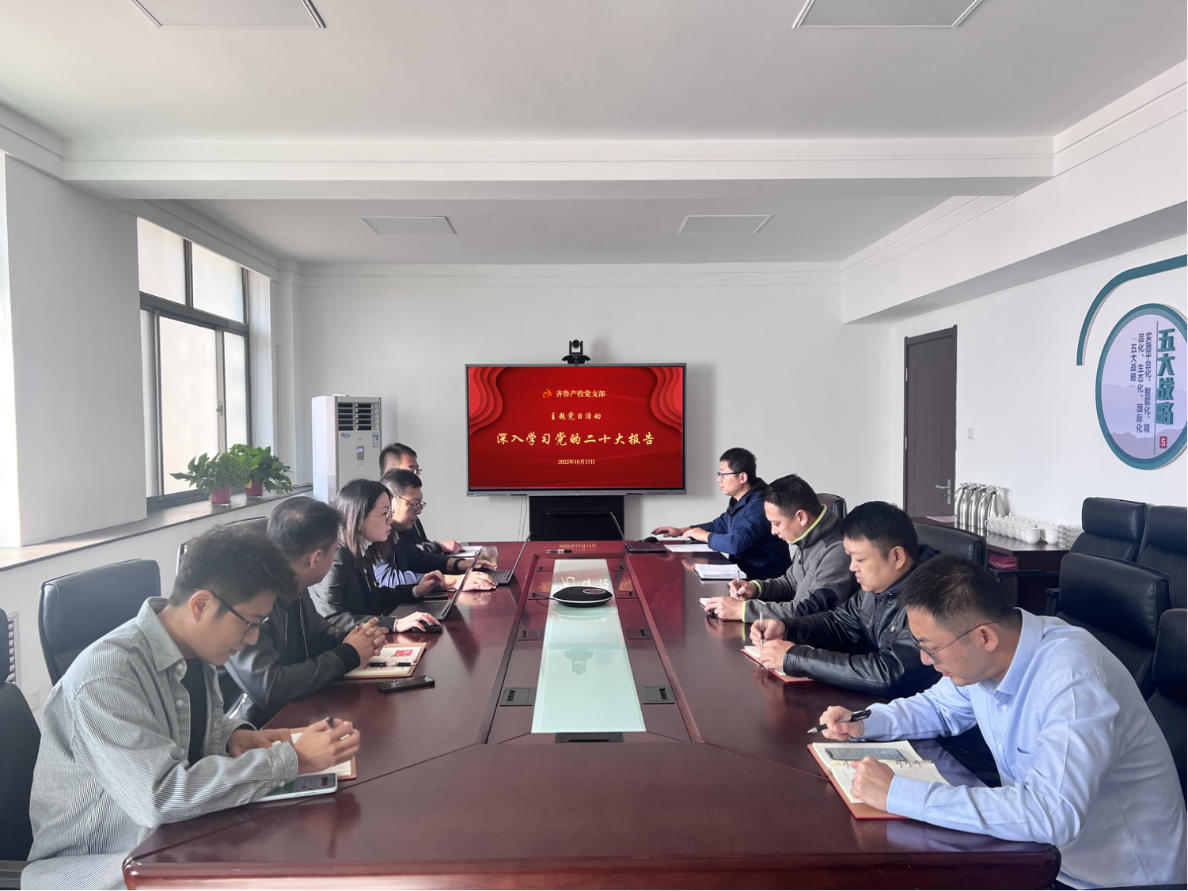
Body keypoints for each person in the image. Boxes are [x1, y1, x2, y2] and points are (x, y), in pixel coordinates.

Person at [817, 555, 1188, 890]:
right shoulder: (994, 655)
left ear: (984, 637)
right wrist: (865, 721)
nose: (926, 661)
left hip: (1115, 880)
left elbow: (1052, 812)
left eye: (931, 648)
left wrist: (898, 794)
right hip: (1036, 856)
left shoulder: (1073, 681)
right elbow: (940, 707)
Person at [23, 525, 361, 891]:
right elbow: (161, 796)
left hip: (177, 845)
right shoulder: (106, 677)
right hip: (104, 870)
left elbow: (178, 727)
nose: (251, 639)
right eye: (249, 624)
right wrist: (292, 760)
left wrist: (234, 736)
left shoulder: (194, 652)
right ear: (201, 604)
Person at [221, 497, 389, 726]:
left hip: (299, 708)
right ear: (315, 558)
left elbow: (319, 634)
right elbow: (269, 687)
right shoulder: (249, 598)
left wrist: (361, 637)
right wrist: (349, 653)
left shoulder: (295, 582)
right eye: (334, 551)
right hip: (255, 728)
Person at [750, 500, 937, 698]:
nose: (852, 567)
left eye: (860, 559)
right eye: (850, 557)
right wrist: (787, 628)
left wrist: (794, 658)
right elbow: (839, 623)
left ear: (897, 556)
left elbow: (890, 673)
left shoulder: (933, 599)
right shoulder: (879, 584)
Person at [702, 473, 854, 621]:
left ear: (801, 517)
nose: (773, 531)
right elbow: (791, 583)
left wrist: (743, 610)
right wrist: (756, 588)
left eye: (776, 524)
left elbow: (811, 611)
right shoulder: (808, 536)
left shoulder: (838, 551)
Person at [309, 479, 445, 633]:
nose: (390, 520)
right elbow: (331, 618)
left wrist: (415, 591)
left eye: (390, 513)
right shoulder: (335, 557)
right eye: (384, 513)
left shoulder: (363, 548)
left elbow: (374, 596)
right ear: (359, 517)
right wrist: (394, 624)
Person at [651, 447, 791, 580]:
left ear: (742, 477)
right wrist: (682, 531)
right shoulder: (740, 500)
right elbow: (719, 525)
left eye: (723, 474)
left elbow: (736, 543)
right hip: (745, 575)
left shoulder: (760, 504)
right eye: (719, 474)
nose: (719, 479)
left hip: (766, 580)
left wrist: (704, 536)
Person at [377, 469, 496, 590]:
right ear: (390, 501)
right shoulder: (375, 533)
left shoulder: (400, 529)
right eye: (414, 504)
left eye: (420, 504)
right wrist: (455, 581)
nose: (419, 511)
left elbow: (417, 558)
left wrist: (458, 564)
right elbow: (387, 579)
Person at [378, 441, 462, 554]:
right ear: (390, 472)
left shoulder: (409, 509)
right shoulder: (386, 521)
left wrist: (455, 562)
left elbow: (417, 551)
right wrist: (439, 546)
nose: (416, 475)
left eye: (417, 470)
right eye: (412, 470)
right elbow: (412, 554)